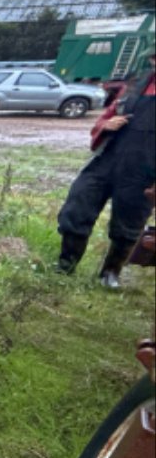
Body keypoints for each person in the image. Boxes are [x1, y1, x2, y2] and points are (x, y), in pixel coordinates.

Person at [56, 44, 156, 288]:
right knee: (77, 208)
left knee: (128, 224)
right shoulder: (133, 86)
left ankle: (110, 273)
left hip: (144, 170)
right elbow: (104, 118)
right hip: (107, 160)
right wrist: (106, 125)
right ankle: (66, 265)